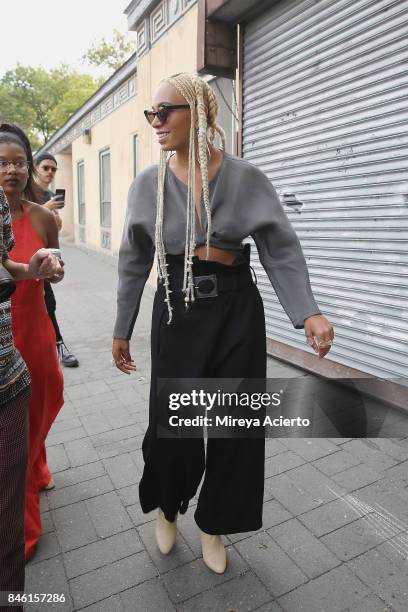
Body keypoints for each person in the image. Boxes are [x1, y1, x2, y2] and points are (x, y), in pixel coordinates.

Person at [112, 73, 334, 574]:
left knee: (235, 425)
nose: (156, 122)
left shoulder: (244, 178)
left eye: (165, 111)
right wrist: (121, 327)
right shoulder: (147, 184)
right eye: (151, 114)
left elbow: (279, 247)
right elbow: (132, 260)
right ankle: (168, 507)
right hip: (176, 308)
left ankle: (215, 523)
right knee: (175, 423)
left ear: (199, 112)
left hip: (236, 307)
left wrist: (308, 312)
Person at [0, 124, 65, 561]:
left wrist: (53, 270)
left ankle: (37, 462)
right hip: (6, 333)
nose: (12, 170)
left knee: (43, 403)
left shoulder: (43, 216)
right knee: (13, 437)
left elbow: (54, 267)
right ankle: (23, 532)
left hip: (36, 329)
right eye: (2, 163)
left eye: (19, 161)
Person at [34, 151, 79, 368]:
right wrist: (46, 209)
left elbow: (57, 228)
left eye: (53, 169)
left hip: (46, 255)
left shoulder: (49, 195)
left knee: (48, 301)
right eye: (46, 168)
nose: (50, 172)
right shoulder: (27, 193)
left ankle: (58, 345)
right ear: (35, 168)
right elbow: (21, 221)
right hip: (24, 255)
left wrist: (55, 216)